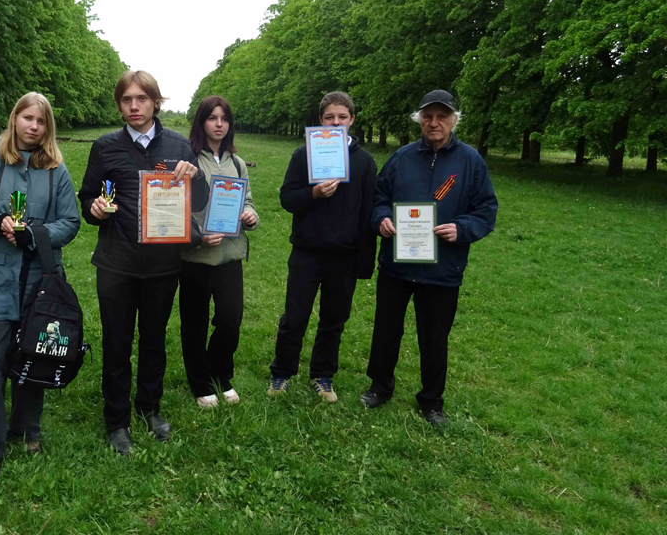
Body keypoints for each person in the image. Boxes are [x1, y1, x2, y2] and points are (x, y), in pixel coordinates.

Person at [78, 70, 209, 454]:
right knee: (117, 344)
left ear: (155, 102)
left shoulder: (179, 146)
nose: (133, 107)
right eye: (126, 100)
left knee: (154, 341)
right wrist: (96, 209)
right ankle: (117, 420)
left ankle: (150, 408)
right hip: (116, 263)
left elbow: (196, 203)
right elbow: (87, 198)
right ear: (119, 104)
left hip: (163, 265)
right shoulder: (105, 147)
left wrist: (195, 177)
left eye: (141, 99)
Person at [0, 92, 80, 480]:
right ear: (14, 120)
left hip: (40, 279)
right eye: (27, 118)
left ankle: (26, 428)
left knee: (34, 354)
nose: (33, 127)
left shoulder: (56, 171)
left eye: (41, 122)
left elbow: (70, 223)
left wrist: (36, 234)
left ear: (48, 129)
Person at [360, 90, 498, 425]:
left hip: (442, 268)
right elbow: (378, 198)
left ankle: (432, 401)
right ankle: (380, 387)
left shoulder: (470, 161)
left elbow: (486, 210)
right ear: (419, 119)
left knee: (435, 336)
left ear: (454, 120)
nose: (434, 123)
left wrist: (461, 229)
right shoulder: (402, 158)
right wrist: (382, 220)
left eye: (441, 116)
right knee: (386, 329)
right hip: (397, 264)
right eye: (427, 116)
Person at [267, 91, 377, 403]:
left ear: (352, 120)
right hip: (307, 251)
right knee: (295, 316)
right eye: (330, 117)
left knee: (334, 321)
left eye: (342, 117)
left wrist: (365, 262)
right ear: (320, 120)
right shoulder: (304, 156)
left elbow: (369, 211)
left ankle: (323, 375)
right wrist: (312, 194)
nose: (336, 122)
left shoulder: (365, 162)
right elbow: (287, 199)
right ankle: (281, 373)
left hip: (345, 255)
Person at [179, 96, 259, 408]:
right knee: (195, 322)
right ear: (201, 122)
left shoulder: (237, 163)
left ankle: (221, 374)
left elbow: (248, 199)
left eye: (224, 118)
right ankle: (200, 383)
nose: (219, 124)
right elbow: (175, 208)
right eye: (212, 118)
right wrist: (198, 237)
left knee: (230, 318)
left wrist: (251, 215)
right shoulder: (188, 160)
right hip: (196, 258)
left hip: (229, 256)